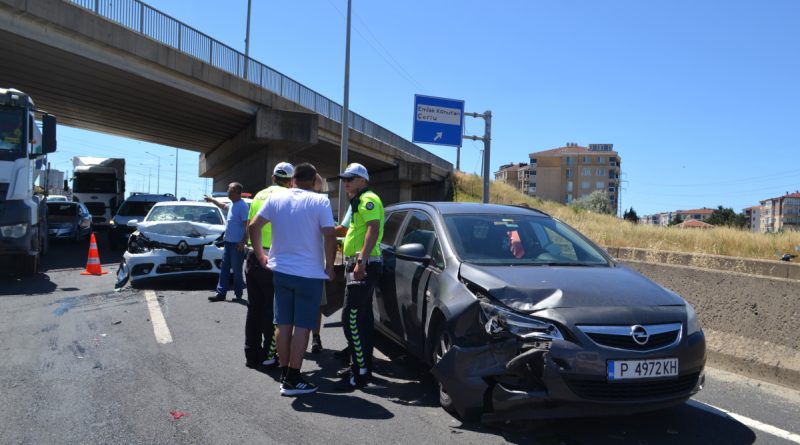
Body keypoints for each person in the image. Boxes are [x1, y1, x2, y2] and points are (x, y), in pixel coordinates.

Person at [249, 163, 336, 396]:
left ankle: (285, 374)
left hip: (281, 272)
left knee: (283, 324)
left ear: (293, 180)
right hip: (309, 274)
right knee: (303, 327)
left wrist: (260, 255)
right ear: (314, 181)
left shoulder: (276, 199)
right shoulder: (320, 202)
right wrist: (330, 266)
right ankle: (294, 379)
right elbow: (330, 235)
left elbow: (254, 226)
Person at [336, 163, 384, 390]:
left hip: (363, 265)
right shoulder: (357, 201)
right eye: (344, 179)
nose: (346, 182)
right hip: (359, 265)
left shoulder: (368, 199)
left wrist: (361, 261)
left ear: (363, 180)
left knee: (351, 319)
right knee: (362, 320)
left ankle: (360, 371)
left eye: (350, 179)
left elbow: (373, 229)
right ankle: (361, 367)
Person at [243, 162, 293, 370]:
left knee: (254, 308)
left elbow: (250, 225)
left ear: (273, 177)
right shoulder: (288, 197)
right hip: (274, 257)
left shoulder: (259, 196)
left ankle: (251, 355)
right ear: (290, 181)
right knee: (272, 310)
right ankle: (268, 355)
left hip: (253, 256)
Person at [206, 182, 249, 302]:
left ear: (237, 192)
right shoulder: (233, 204)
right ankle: (221, 293)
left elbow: (247, 226)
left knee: (236, 270)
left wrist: (243, 242)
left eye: (229, 190)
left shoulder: (242, 206)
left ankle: (238, 295)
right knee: (224, 269)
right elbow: (223, 206)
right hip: (228, 243)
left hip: (237, 245)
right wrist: (212, 200)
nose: (227, 192)